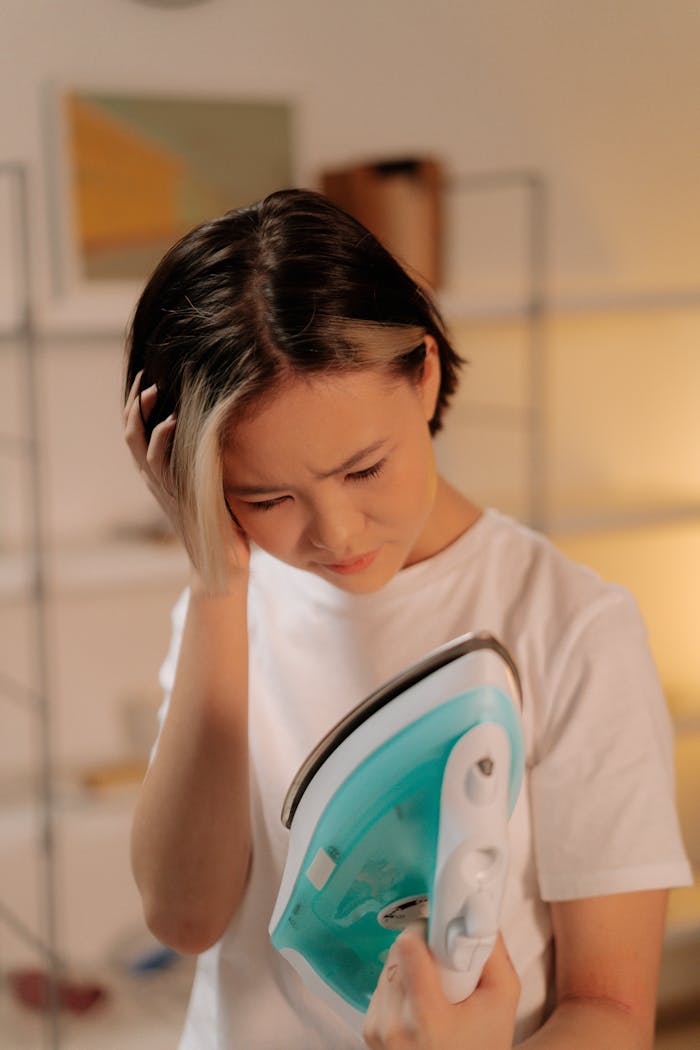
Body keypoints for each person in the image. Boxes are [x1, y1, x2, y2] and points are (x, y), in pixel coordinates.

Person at [123, 188, 691, 1050]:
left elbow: (611, 1010)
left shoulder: (569, 624)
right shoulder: (229, 606)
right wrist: (215, 581)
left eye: (363, 470)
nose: (336, 534)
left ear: (423, 373)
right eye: (266, 497)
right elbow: (184, 918)